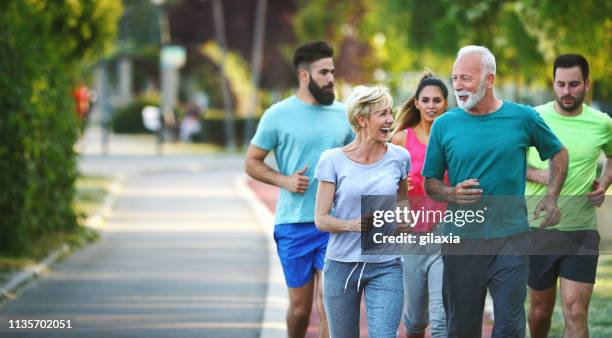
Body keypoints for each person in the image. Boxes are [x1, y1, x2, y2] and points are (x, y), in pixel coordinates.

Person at [422, 45, 568, 338]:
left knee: (511, 327)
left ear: (489, 79)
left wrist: (552, 197)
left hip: (511, 238)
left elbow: (559, 153)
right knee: (461, 328)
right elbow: (430, 184)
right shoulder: (444, 125)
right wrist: (451, 193)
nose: (458, 86)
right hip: (462, 240)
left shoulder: (522, 117)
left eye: (466, 78)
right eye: (454, 79)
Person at [244, 41, 353, 338]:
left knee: (328, 305)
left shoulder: (345, 115)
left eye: (332, 71)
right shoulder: (277, 115)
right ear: (304, 76)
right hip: (293, 224)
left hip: (333, 224)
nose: (331, 78)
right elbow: (252, 162)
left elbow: (361, 157)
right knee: (300, 310)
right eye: (323, 72)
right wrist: (285, 180)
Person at [526, 54, 612, 338]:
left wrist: (603, 184)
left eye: (574, 84)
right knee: (539, 314)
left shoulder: (602, 123)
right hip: (538, 229)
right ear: (553, 83)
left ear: (587, 84)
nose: (566, 91)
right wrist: (543, 176)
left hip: (581, 230)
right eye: (560, 84)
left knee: (576, 311)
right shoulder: (533, 118)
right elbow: (511, 162)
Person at [314, 85, 410, 338]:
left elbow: (403, 207)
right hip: (342, 265)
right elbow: (321, 219)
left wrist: (402, 222)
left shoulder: (400, 158)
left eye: (391, 112)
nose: (390, 120)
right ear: (361, 119)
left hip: (386, 265)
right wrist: (352, 225)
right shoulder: (332, 160)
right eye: (382, 114)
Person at [391, 72, 448, 338]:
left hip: (445, 235)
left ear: (446, 104)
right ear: (416, 103)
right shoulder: (402, 139)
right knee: (415, 320)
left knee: (440, 318)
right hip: (411, 237)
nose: (431, 105)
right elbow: (385, 183)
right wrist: (400, 194)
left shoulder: (452, 139)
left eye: (437, 100)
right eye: (425, 100)